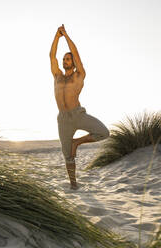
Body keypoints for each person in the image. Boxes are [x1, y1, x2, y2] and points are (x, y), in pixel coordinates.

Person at [49, 24, 110, 189]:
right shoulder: (57, 76)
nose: (64, 61)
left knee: (104, 132)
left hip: (78, 115)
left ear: (74, 63)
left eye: (68, 59)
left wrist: (66, 35)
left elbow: (75, 53)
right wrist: (56, 36)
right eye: (64, 59)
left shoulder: (79, 75)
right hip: (63, 119)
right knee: (67, 156)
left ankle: (78, 142)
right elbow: (51, 56)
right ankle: (73, 184)